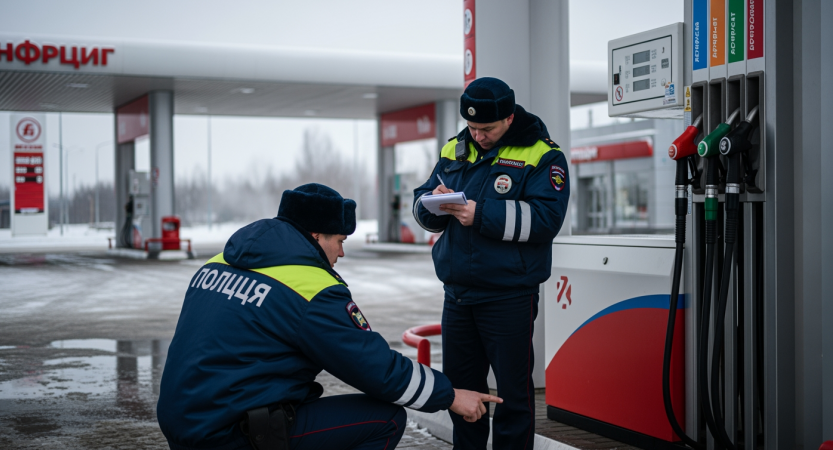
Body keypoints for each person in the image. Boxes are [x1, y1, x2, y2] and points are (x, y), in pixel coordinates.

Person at [157, 183, 501, 450]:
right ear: (314, 236)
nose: (341, 252)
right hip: (227, 434)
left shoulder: (218, 262)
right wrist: (451, 396)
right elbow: (376, 369)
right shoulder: (310, 289)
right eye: (338, 240)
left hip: (183, 421)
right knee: (386, 419)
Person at [412, 77, 570, 449]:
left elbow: (546, 219)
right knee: (462, 395)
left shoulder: (543, 154)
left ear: (510, 118)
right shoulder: (456, 147)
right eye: (472, 127)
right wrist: (432, 204)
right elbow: (421, 201)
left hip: (509, 296)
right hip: (458, 295)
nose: (478, 136)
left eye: (487, 129)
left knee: (512, 397)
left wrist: (479, 214)